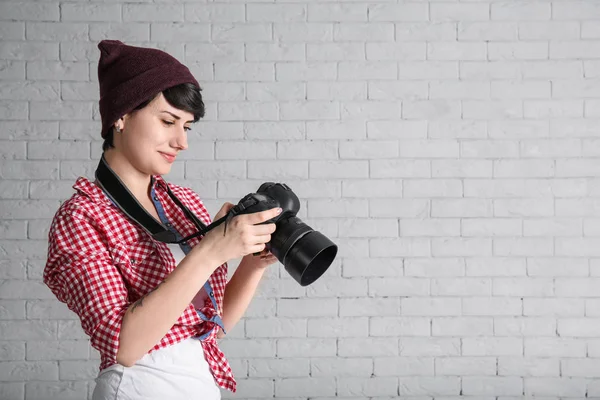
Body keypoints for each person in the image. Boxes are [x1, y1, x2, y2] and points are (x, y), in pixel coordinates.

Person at [43, 40, 282, 400]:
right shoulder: (81, 217)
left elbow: (210, 326)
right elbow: (123, 346)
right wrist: (210, 252)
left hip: (199, 387)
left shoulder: (182, 204)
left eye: (187, 127)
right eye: (169, 121)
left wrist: (253, 262)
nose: (181, 141)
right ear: (120, 116)